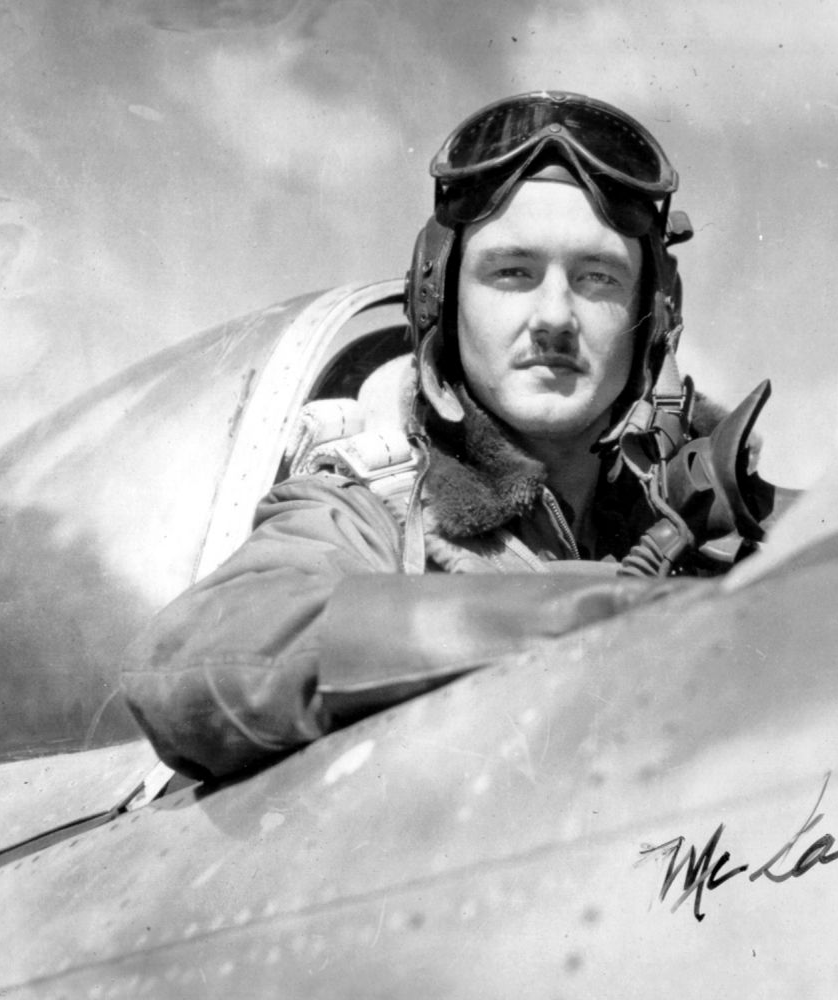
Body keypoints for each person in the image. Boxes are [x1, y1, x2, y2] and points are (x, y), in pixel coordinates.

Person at [121, 92, 785, 781]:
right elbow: (195, 662)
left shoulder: (717, 520)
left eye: (596, 278)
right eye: (511, 273)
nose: (555, 317)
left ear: (652, 313)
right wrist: (584, 611)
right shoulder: (374, 512)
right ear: (441, 298)